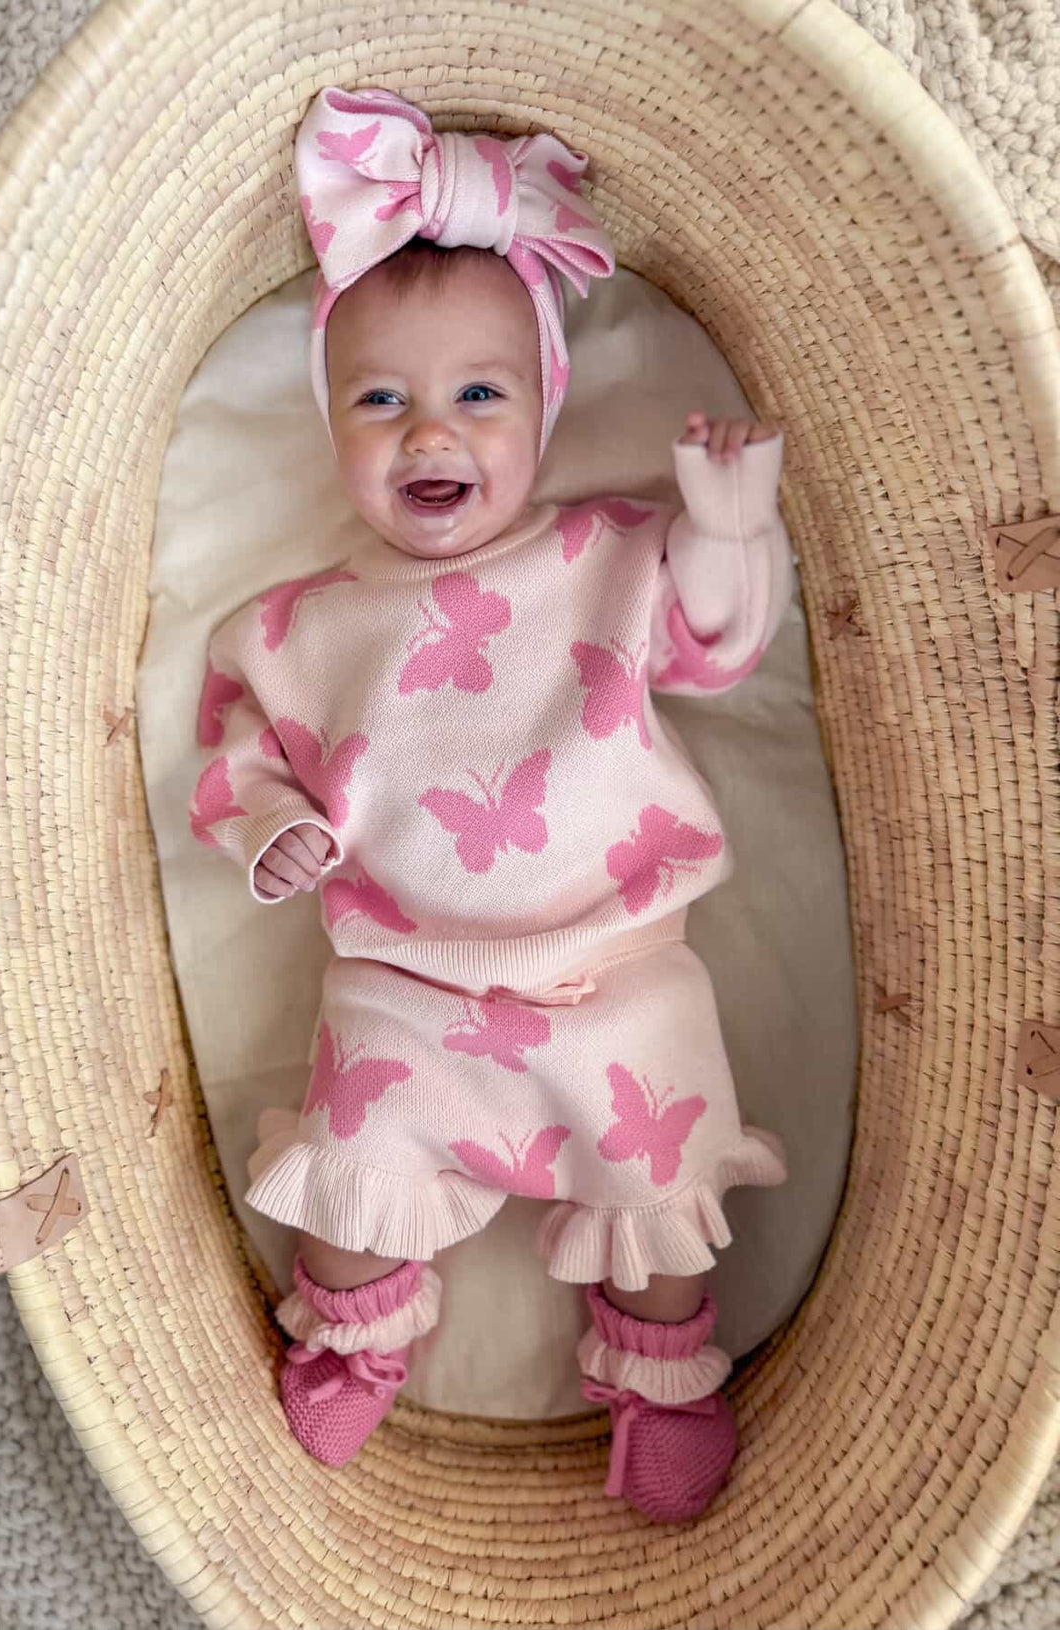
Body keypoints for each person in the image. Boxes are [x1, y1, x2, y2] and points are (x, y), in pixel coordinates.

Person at [191, 85, 793, 1523]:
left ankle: (662, 1377)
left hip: (613, 972)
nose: (427, 434)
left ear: (543, 412)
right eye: (379, 400)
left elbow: (713, 645)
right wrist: (272, 823)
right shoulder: (294, 625)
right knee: (347, 1172)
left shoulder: (601, 551)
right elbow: (231, 750)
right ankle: (356, 1327)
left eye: (478, 394)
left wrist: (726, 530)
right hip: (405, 986)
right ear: (330, 425)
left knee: (660, 1191)